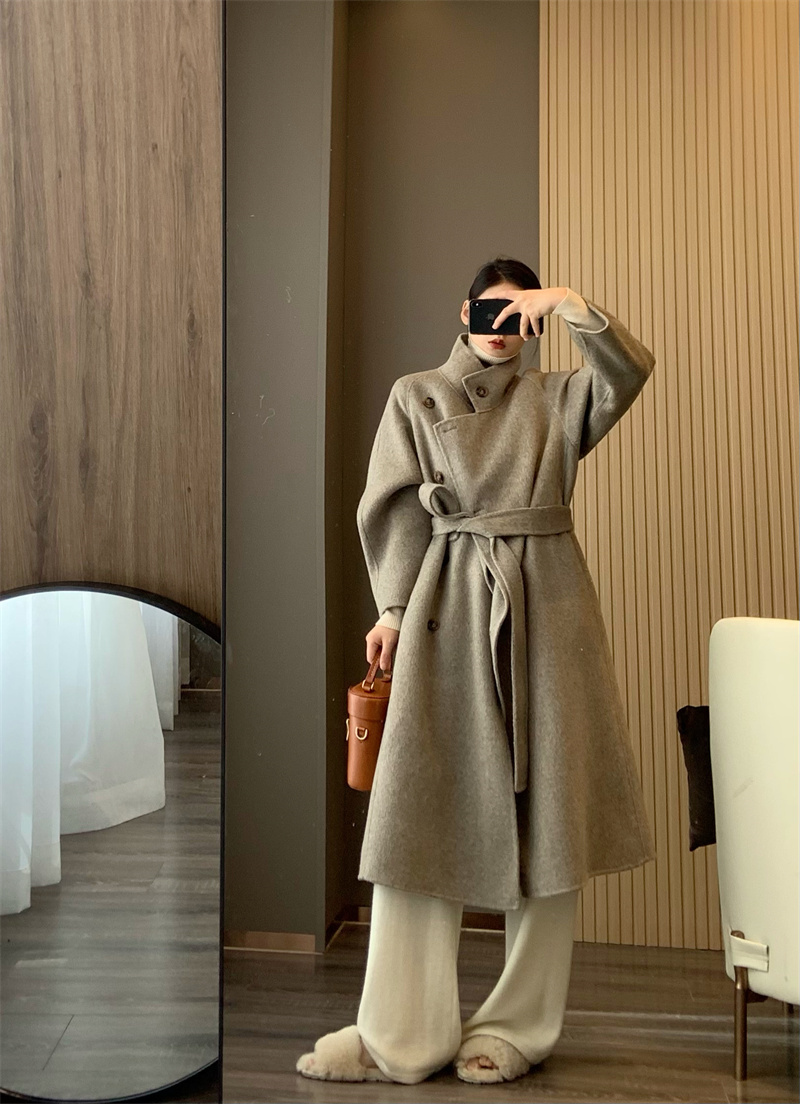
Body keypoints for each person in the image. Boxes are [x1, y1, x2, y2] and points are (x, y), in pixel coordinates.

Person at [297, 257, 657, 1085]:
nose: (502, 327)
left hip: (550, 607)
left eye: (519, 313)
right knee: (420, 815)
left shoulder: (559, 397)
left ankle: (518, 1027)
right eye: (489, 311)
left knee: (552, 818)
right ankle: (395, 1033)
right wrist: (392, 610)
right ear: (464, 313)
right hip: (448, 603)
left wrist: (571, 304)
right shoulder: (417, 394)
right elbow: (392, 506)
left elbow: (630, 371)